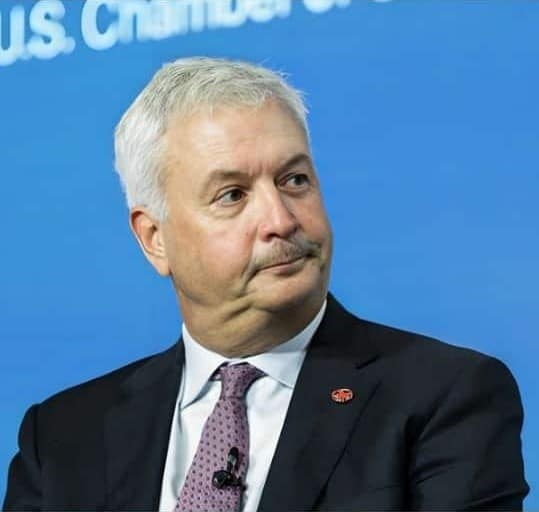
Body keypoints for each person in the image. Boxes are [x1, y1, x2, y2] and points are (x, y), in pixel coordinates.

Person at [3, 57, 529, 511]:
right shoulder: (62, 438)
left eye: (294, 180)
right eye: (232, 195)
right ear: (155, 239)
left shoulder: (445, 398)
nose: (281, 219)